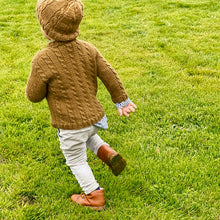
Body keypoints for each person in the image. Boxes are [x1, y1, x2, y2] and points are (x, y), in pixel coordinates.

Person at [26, 0, 137, 211]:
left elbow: (33, 95)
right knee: (88, 135)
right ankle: (107, 152)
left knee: (76, 159)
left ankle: (94, 195)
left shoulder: (42, 59)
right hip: (95, 118)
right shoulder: (89, 49)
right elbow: (109, 75)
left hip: (70, 125)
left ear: (45, 28)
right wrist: (121, 100)